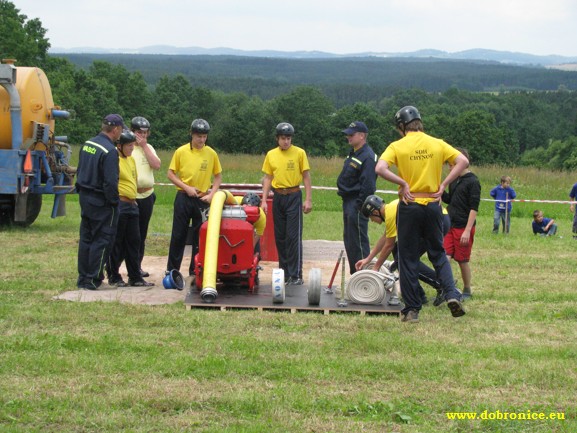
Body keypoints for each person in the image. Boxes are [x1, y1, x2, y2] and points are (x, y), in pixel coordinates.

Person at [375, 105, 468, 323]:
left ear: (401, 126)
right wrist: (444, 183)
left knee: (407, 258)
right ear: (419, 122)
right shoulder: (437, 143)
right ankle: (452, 295)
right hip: (434, 205)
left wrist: (402, 182)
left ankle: (412, 309)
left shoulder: (397, 146)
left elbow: (380, 168)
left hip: (409, 204)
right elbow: (463, 161)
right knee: (437, 253)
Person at [356, 195, 444, 306]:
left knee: (405, 260)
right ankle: (419, 294)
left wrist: (376, 267)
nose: (372, 221)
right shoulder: (391, 208)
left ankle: (442, 285)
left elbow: (388, 245)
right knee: (399, 252)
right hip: (435, 218)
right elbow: (385, 238)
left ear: (376, 212)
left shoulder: (391, 213)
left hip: (436, 220)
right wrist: (368, 259)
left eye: (371, 218)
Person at [166, 119, 222, 278]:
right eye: (199, 136)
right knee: (178, 235)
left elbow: (218, 177)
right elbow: (170, 174)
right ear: (191, 134)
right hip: (184, 197)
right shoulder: (181, 151)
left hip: (202, 199)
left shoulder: (211, 153)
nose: (202, 140)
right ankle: (172, 270)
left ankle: (196, 268)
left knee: (201, 235)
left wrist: (212, 194)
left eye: (204, 136)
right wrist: (186, 187)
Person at [261, 122, 312, 285]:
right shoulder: (271, 155)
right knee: (280, 237)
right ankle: (284, 272)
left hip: (294, 195)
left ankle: (296, 274)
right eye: (283, 138)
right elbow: (268, 177)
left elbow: (306, 176)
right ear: (277, 139)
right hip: (278, 197)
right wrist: (263, 200)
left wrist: (308, 199)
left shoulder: (299, 153)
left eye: (288, 138)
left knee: (293, 236)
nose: (286, 141)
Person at [75, 114, 122, 290]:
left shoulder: (88, 144)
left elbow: (80, 169)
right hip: (101, 201)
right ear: (115, 129)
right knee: (102, 239)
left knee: (86, 238)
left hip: (85, 197)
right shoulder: (110, 151)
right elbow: (110, 182)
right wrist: (114, 202)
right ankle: (93, 278)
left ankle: (82, 277)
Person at [106, 130, 154, 287]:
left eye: (133, 145)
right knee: (117, 241)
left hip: (133, 204)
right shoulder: (115, 159)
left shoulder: (131, 160)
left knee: (135, 240)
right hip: (121, 204)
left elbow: (133, 180)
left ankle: (135, 276)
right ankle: (113, 275)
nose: (132, 148)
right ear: (119, 146)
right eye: (129, 146)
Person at [337, 121, 377, 275]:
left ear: (362, 136)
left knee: (358, 243)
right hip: (348, 202)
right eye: (348, 134)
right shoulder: (355, 152)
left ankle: (364, 278)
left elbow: (368, 185)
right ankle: (355, 275)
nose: (348, 137)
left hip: (357, 204)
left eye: (351, 134)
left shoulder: (367, 156)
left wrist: (360, 206)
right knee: (350, 241)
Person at [442, 148, 481, 301]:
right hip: (450, 225)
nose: (450, 168)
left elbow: (474, 208)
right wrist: (440, 190)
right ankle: (447, 288)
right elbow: (450, 200)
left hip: (463, 227)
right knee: (444, 258)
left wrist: (467, 230)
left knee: (462, 260)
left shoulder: (473, 181)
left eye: (452, 164)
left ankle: (467, 289)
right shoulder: (453, 180)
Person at [130, 116, 161, 278]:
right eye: (139, 133)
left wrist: (144, 147)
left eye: (145, 133)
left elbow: (156, 165)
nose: (142, 136)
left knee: (142, 234)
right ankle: (121, 266)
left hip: (147, 195)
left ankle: (137, 266)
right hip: (131, 196)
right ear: (132, 132)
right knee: (130, 234)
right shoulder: (126, 148)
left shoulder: (149, 148)